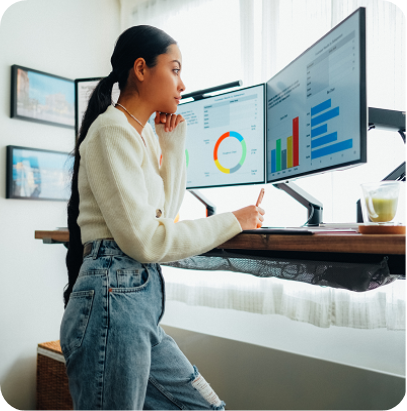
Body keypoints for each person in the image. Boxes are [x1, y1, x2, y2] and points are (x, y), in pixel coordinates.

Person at [60, 25, 265, 410]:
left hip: (133, 303)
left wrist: (171, 145)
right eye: (174, 69)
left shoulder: (141, 135)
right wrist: (234, 220)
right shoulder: (111, 130)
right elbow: (149, 241)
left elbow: (164, 220)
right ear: (141, 69)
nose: (182, 83)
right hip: (112, 298)